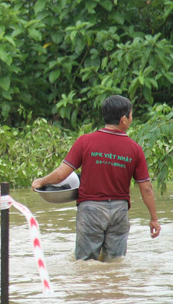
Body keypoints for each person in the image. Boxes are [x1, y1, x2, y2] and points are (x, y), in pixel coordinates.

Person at [31, 95, 161, 261]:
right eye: (131, 115)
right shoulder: (135, 149)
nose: (131, 118)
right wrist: (154, 219)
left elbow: (61, 175)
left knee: (85, 263)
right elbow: (146, 188)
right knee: (115, 262)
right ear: (123, 120)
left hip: (90, 210)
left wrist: (40, 181)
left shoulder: (85, 141)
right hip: (119, 211)